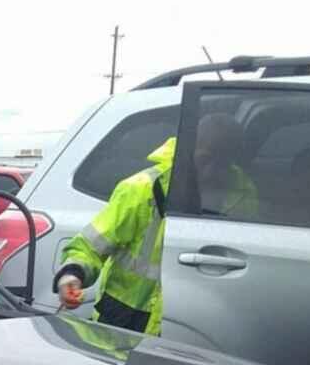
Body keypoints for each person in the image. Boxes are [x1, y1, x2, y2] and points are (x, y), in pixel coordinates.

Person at [53, 114, 258, 335]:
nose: (212, 171)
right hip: (125, 318)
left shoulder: (244, 192)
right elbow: (89, 246)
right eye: (206, 158)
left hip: (191, 321)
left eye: (223, 162)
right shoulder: (142, 189)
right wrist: (72, 275)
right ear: (186, 150)